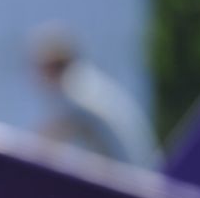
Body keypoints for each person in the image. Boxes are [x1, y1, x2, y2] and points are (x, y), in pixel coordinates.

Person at [29, 24, 160, 167]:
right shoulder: (88, 81)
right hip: (141, 174)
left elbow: (48, 141)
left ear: (52, 65)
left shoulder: (73, 86)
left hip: (133, 181)